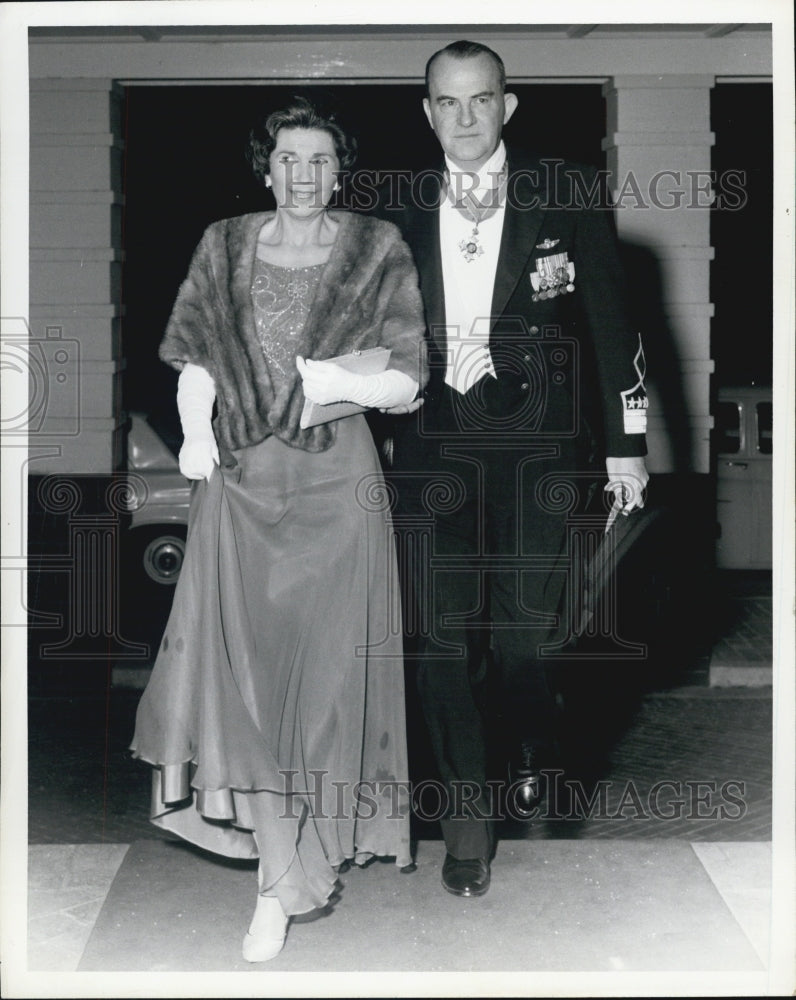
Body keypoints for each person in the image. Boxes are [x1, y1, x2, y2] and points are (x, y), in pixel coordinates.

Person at [131, 96, 428, 963]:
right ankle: (276, 877)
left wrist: (342, 376)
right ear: (266, 166)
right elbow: (193, 354)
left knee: (330, 691)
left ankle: (290, 875)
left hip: (339, 489)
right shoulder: (223, 244)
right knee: (245, 689)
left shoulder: (377, 248)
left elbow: (409, 379)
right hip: (241, 486)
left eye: (322, 160)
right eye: (289, 158)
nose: (305, 174)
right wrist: (192, 430)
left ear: (341, 171)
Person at [377, 41, 649, 898]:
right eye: (448, 103)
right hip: (431, 449)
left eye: (481, 100)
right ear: (428, 112)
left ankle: (532, 741)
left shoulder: (562, 190)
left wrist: (627, 447)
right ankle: (468, 830)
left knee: (528, 636)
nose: (465, 117)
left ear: (508, 106)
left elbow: (614, 325)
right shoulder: (396, 206)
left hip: (538, 450)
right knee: (443, 643)